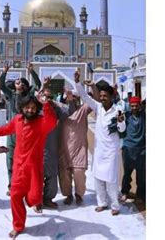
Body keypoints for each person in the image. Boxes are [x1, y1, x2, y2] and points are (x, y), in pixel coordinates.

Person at [0, 94, 57, 238]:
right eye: (27, 107)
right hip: (19, 168)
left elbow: (52, 121)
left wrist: (46, 104)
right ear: (22, 108)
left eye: (33, 108)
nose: (30, 110)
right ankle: (18, 226)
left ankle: (34, 201)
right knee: (15, 196)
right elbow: (4, 129)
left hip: (34, 170)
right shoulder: (17, 120)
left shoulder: (41, 123)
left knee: (34, 199)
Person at [74, 70, 126, 216]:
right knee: (98, 179)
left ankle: (115, 205)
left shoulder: (118, 111)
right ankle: (102, 203)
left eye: (105, 96)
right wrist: (78, 83)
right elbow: (84, 97)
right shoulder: (98, 108)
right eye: (101, 96)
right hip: (99, 150)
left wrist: (121, 123)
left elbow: (122, 129)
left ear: (111, 97)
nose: (102, 98)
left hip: (111, 151)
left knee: (111, 180)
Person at [0, 62, 42, 195]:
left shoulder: (29, 97)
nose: (20, 84)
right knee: (10, 160)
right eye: (18, 82)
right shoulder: (11, 95)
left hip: (26, 134)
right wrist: (4, 72)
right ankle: (12, 185)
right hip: (12, 134)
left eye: (23, 83)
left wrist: (32, 72)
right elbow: (1, 86)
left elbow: (38, 85)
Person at [39, 83, 76, 209]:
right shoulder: (35, 108)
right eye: (45, 96)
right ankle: (37, 201)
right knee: (36, 177)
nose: (47, 99)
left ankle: (48, 198)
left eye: (50, 97)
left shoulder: (57, 109)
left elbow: (70, 111)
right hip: (36, 150)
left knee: (51, 177)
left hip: (51, 149)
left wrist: (70, 100)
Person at [58, 88, 94, 205]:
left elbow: (94, 101)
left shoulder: (83, 110)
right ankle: (68, 195)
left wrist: (91, 88)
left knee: (79, 173)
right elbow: (47, 103)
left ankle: (79, 194)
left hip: (79, 148)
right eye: (70, 97)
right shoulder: (61, 110)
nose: (72, 99)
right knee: (65, 173)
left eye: (74, 97)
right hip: (64, 148)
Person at [120, 96, 146, 204]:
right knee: (127, 173)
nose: (134, 108)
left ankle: (141, 195)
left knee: (141, 175)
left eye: (136, 105)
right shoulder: (126, 116)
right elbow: (120, 127)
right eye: (132, 106)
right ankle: (125, 192)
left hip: (141, 150)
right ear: (130, 106)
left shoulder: (144, 117)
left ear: (139, 106)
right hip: (128, 149)